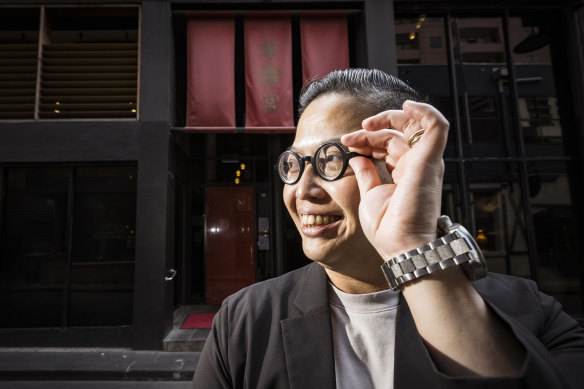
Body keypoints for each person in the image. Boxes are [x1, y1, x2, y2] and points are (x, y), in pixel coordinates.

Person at [192, 68, 584, 388]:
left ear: (398, 164)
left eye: (331, 160)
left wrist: (411, 244)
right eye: (295, 164)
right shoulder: (245, 321)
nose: (303, 191)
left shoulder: (527, 310)